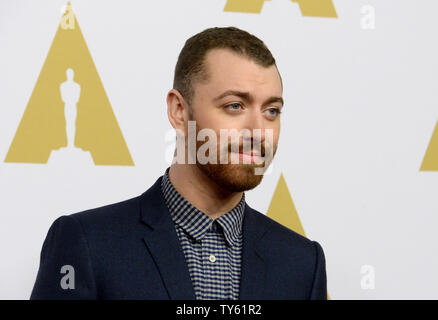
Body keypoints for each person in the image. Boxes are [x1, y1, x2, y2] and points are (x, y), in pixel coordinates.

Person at [30, 26, 327, 300]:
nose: (258, 131)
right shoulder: (87, 244)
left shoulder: (303, 263)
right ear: (179, 112)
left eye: (272, 111)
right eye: (234, 106)